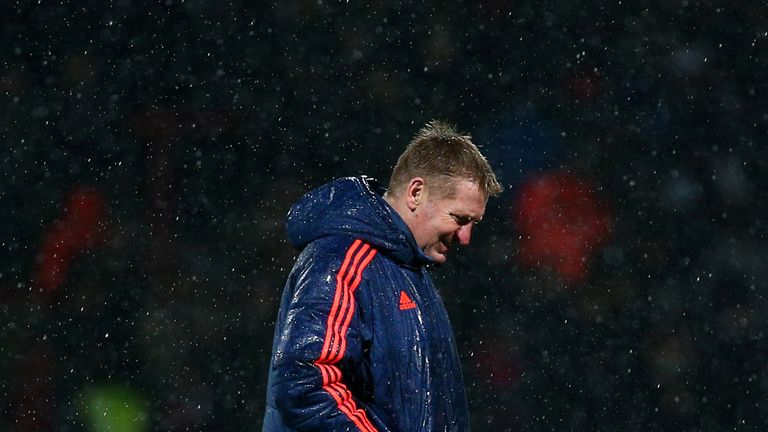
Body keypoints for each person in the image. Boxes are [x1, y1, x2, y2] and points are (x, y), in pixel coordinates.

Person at [262, 121, 503, 431]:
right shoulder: (339, 259)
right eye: (460, 218)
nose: (466, 236)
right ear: (416, 192)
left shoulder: (407, 270)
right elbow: (306, 384)